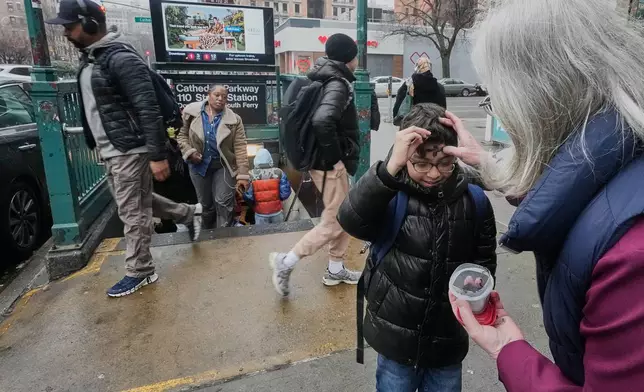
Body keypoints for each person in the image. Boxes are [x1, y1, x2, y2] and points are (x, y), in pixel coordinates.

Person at [441, 0, 644, 389]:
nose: (498, 111)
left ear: (540, 102)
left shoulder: (630, 258)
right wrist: (488, 163)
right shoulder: (625, 148)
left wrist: (509, 351)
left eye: (496, 99)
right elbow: (578, 189)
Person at [46, 0, 202, 297]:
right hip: (114, 149)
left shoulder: (120, 59)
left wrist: (156, 155)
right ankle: (187, 214)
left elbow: (147, 107)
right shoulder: (94, 58)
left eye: (70, 26)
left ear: (90, 24)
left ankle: (140, 270)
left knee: (133, 212)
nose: (65, 32)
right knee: (137, 200)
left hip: (130, 148)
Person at [337, 103, 497, 392]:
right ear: (404, 157)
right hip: (395, 336)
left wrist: (479, 293)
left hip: (448, 337)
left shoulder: (474, 201)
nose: (434, 173)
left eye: (444, 163)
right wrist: (387, 171)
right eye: (421, 164)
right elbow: (350, 219)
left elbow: (484, 260)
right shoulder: (389, 191)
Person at [269, 33, 361, 296]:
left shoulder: (325, 76)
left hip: (321, 161)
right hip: (328, 165)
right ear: (349, 57)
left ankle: (335, 268)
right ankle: (285, 262)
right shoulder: (338, 84)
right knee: (335, 221)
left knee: (343, 214)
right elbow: (323, 120)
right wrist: (335, 160)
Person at [176, 85, 250, 229]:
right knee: (206, 205)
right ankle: (207, 233)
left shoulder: (235, 120)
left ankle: (223, 234)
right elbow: (181, 136)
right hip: (199, 167)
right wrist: (189, 152)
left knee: (223, 202)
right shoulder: (191, 112)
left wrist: (243, 174)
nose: (220, 99)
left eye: (224, 96)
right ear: (208, 94)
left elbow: (240, 147)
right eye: (217, 95)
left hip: (223, 166)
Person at [243, 148, 291, 225]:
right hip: (277, 212)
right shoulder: (279, 172)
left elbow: (248, 197)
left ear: (256, 159)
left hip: (260, 214)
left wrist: (254, 204)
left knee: (262, 235)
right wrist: (278, 199)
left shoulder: (251, 175)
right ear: (270, 159)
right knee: (279, 234)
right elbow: (285, 193)